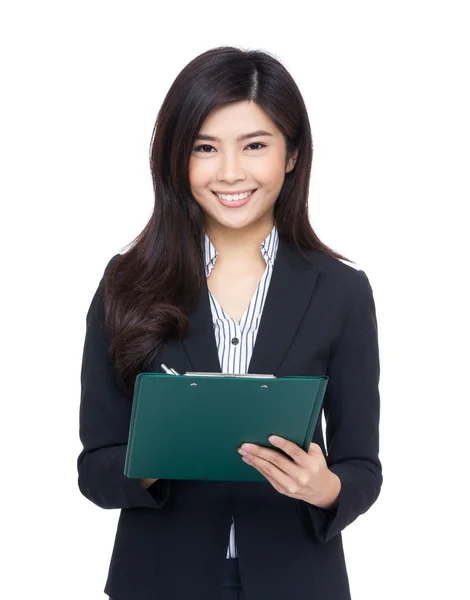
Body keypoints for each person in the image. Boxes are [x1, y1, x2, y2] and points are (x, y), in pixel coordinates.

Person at [77, 45, 382, 600]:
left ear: (291, 155)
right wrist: (156, 458)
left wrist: (326, 487)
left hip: (297, 580)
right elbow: (95, 470)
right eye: (205, 148)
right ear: (177, 158)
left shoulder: (341, 291)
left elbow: (362, 465)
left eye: (255, 146)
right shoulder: (126, 282)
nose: (231, 172)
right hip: (158, 581)